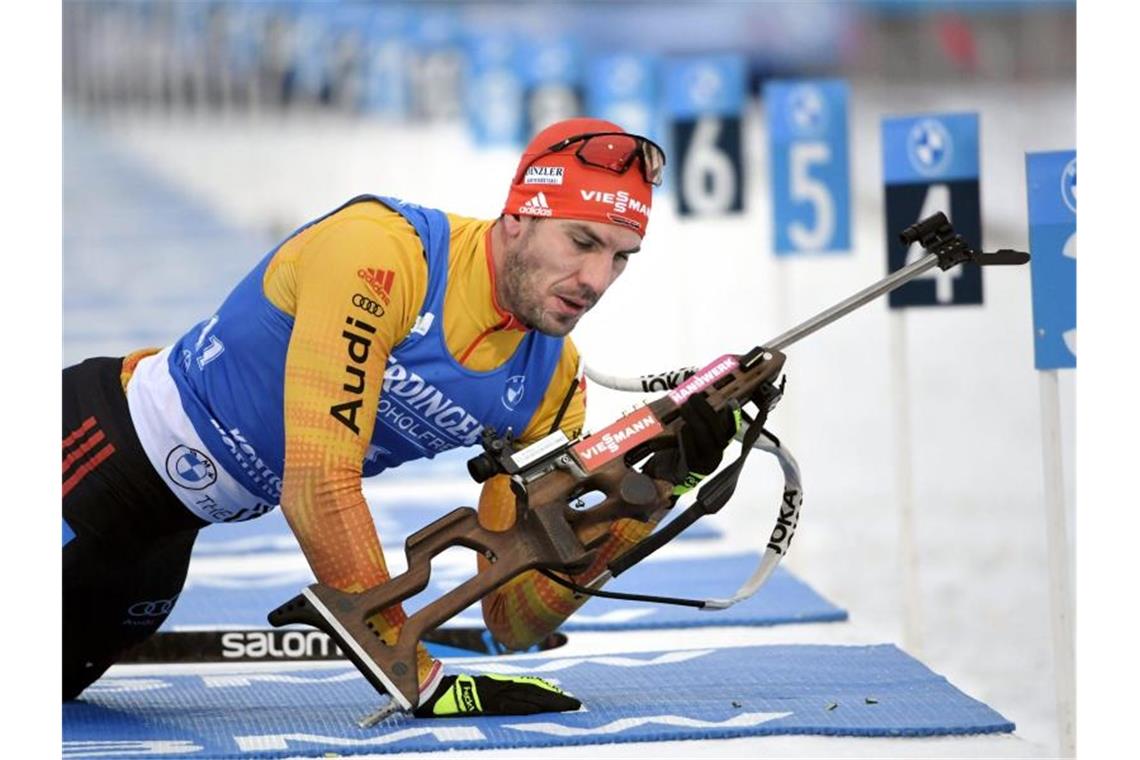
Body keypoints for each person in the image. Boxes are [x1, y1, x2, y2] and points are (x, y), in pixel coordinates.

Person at [62, 117, 738, 717]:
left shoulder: (550, 383)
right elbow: (317, 485)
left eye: (620, 257)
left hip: (158, 544)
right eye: (581, 241)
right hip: (89, 451)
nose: (596, 279)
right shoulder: (383, 255)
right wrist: (416, 674)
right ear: (517, 217)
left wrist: (656, 492)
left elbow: (515, 613)